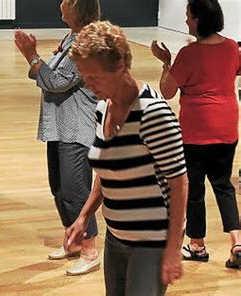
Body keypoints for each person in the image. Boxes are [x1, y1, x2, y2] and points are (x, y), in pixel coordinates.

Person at [65, 21, 188, 295]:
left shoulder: (153, 114)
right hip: (116, 237)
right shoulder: (102, 108)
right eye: (84, 76)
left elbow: (179, 183)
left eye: (94, 76)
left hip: (152, 241)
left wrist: (172, 250)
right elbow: (107, 171)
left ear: (120, 65)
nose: (87, 83)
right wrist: (84, 216)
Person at [151, 0, 241, 269]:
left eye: (189, 17)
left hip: (195, 132)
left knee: (194, 189)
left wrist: (166, 63)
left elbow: (167, 92)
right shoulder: (232, 48)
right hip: (226, 127)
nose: (186, 22)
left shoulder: (188, 54)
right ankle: (237, 241)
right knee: (224, 185)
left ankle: (198, 245)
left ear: (199, 20)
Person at [14, 0, 100, 276]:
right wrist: (39, 63)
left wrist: (31, 55)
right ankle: (73, 240)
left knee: (76, 191)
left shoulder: (85, 43)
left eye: (67, 0)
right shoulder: (70, 37)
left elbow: (54, 81)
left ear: (79, 7)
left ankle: (90, 250)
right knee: (59, 189)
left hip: (77, 127)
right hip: (59, 125)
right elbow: (47, 73)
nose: (61, 3)